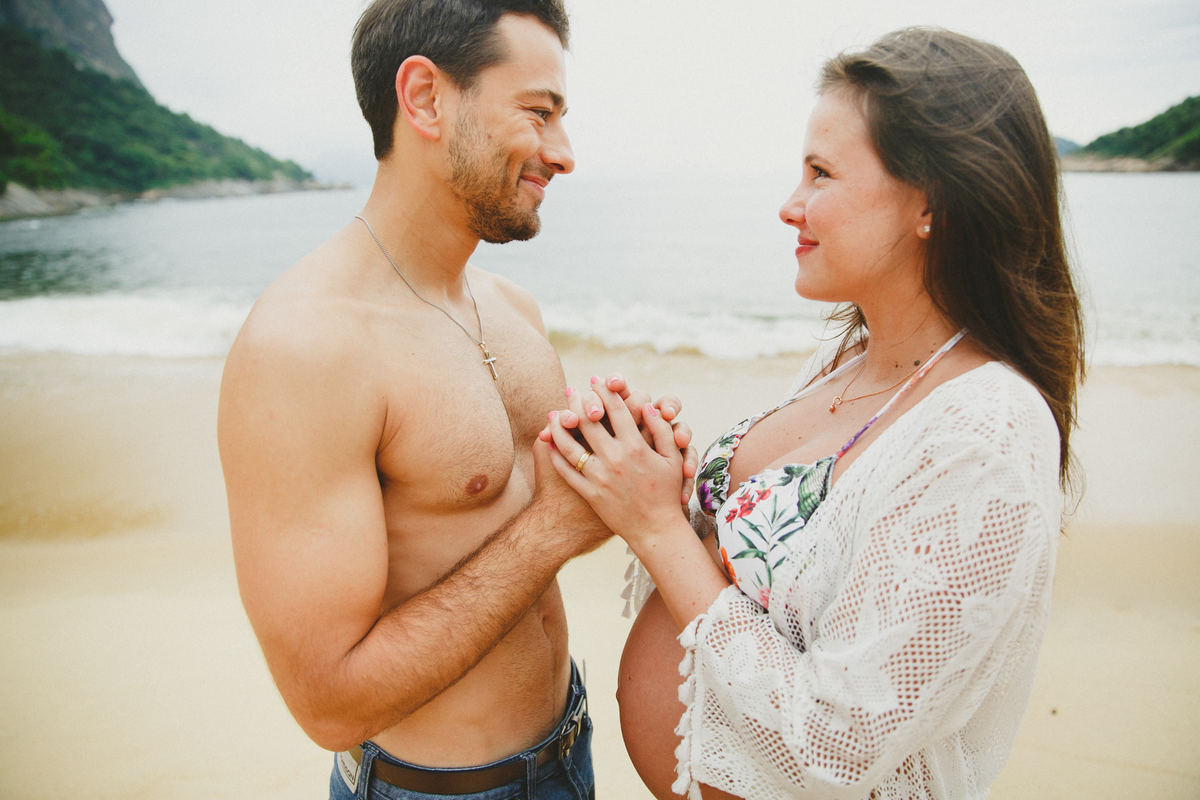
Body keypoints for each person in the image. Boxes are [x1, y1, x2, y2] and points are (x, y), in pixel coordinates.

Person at [542, 27, 1085, 800]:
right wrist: (661, 478)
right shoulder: (846, 364)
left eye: (821, 173)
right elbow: (759, 577)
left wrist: (657, 528)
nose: (790, 206)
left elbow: (834, 745)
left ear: (929, 202)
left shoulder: (985, 436)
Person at [217, 2, 692, 798]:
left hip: (567, 751)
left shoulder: (511, 306)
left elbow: (523, 524)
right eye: (538, 113)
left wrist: (624, 471)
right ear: (426, 98)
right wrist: (552, 530)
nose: (564, 154)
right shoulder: (305, 347)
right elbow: (329, 704)